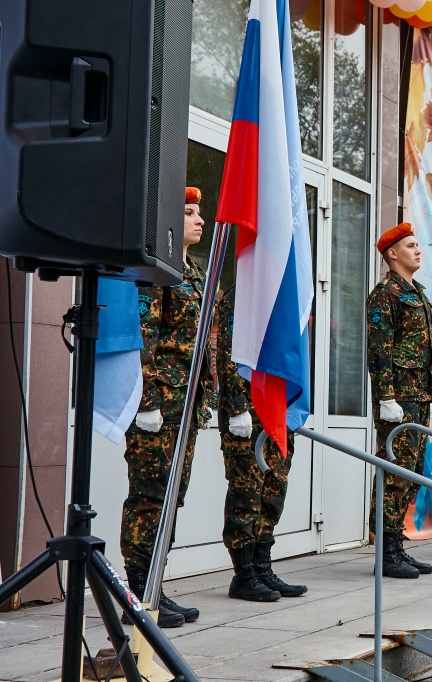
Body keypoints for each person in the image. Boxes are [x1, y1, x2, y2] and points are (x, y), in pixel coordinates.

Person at [120, 187, 214, 628]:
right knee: (149, 495)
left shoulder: (193, 272)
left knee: (172, 495)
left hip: (185, 405)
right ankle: (138, 593)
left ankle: (154, 586)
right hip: (158, 404)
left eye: (199, 212)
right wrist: (146, 401)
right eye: (189, 212)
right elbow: (143, 336)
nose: (199, 219)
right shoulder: (156, 269)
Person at [216, 286, 306, 602]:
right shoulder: (244, 291)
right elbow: (229, 352)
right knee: (246, 491)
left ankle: (262, 569)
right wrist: (236, 406)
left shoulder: (282, 294)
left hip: (275, 407)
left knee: (273, 489)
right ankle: (244, 576)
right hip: (247, 410)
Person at [366, 223, 432, 579]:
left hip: (418, 397)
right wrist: (386, 397)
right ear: (392, 254)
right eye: (410, 246)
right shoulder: (385, 294)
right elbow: (379, 350)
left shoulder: (417, 292)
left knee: (411, 473)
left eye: (417, 244)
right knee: (395, 472)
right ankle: (385, 549)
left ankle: (396, 545)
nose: (417, 250)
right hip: (399, 397)